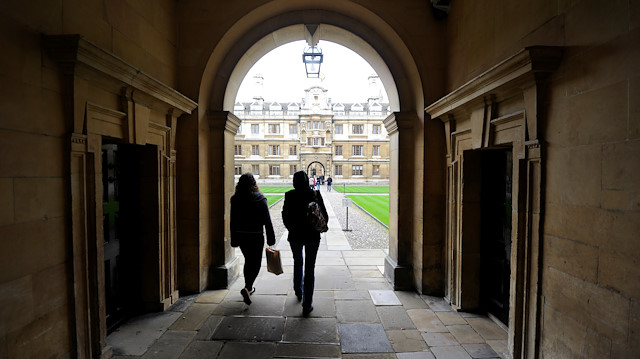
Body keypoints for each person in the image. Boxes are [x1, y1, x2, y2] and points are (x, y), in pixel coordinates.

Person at [282, 171, 328, 316]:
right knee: (309, 268)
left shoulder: (289, 195)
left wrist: (291, 228)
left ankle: (298, 290)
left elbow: (285, 216)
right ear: (307, 181)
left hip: (295, 235)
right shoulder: (314, 194)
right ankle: (307, 305)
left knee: (297, 262)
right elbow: (324, 216)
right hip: (312, 236)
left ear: (294, 182)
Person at [230, 173, 275, 305]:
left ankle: (248, 287)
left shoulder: (235, 199)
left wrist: (234, 238)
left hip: (242, 235)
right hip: (256, 235)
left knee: (248, 260)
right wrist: (271, 238)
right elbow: (267, 220)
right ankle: (248, 287)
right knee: (255, 263)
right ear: (254, 184)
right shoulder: (260, 198)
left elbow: (233, 221)